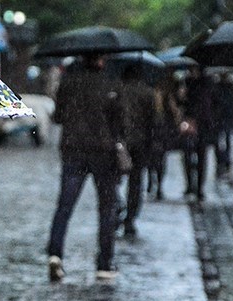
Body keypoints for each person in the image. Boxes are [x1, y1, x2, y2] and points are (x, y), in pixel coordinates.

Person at [47, 53, 126, 282]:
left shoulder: (69, 84)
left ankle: (55, 254)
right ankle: (104, 263)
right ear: (102, 60)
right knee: (106, 209)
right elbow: (120, 121)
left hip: (73, 149)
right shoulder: (111, 84)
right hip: (104, 152)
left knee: (65, 206)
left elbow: (58, 117)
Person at [119, 64, 157, 237]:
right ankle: (130, 218)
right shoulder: (148, 93)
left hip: (121, 141)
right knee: (136, 181)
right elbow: (153, 121)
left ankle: (117, 209)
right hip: (140, 141)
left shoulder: (118, 90)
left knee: (113, 180)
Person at [180, 64, 216, 202]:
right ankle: (191, 185)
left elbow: (211, 104)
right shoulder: (188, 83)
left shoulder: (207, 84)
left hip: (203, 125)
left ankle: (199, 188)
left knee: (201, 157)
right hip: (190, 124)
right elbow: (184, 103)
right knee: (188, 155)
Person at [147, 71, 184, 201]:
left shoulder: (154, 96)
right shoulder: (164, 98)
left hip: (155, 132)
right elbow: (175, 116)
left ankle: (153, 182)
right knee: (159, 160)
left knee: (154, 159)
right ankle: (156, 184)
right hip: (160, 132)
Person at [213, 71, 233, 178]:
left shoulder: (231, 86)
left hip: (227, 115)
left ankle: (224, 160)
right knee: (222, 139)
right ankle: (223, 160)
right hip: (222, 116)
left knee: (226, 139)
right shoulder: (221, 86)